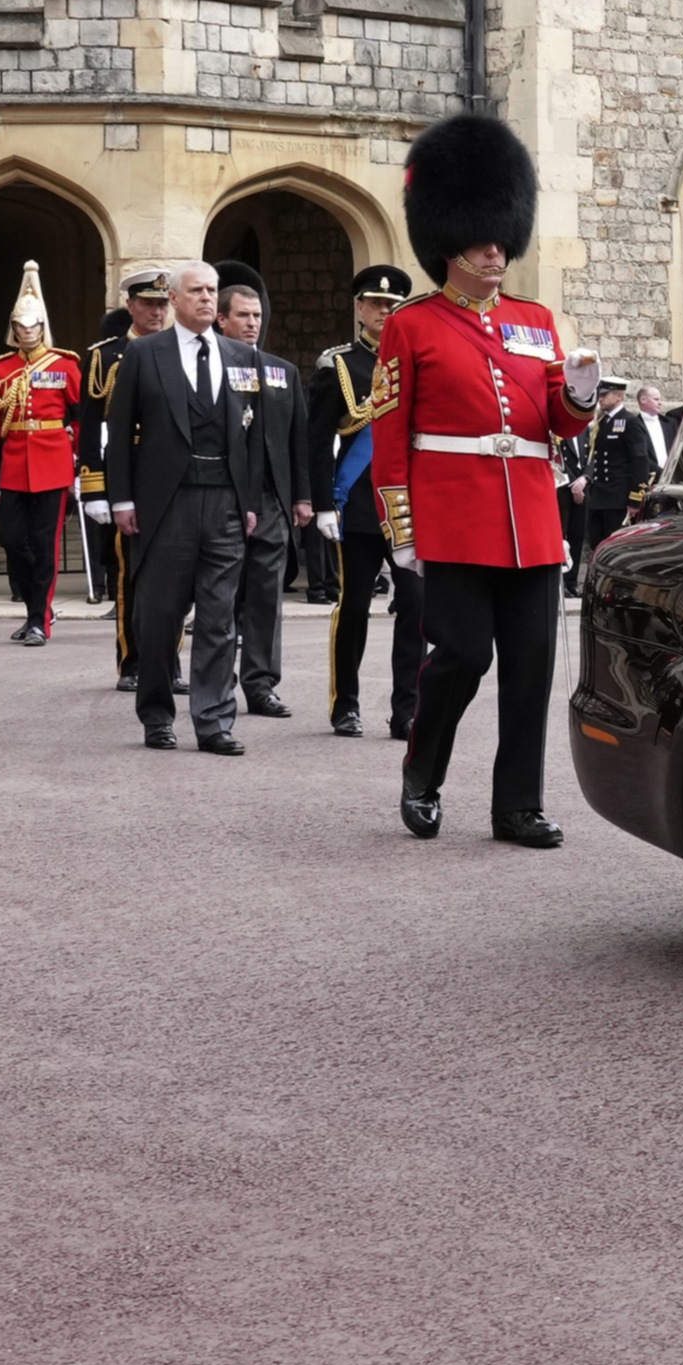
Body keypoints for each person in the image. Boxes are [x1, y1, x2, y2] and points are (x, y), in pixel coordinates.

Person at [359, 116, 597, 845]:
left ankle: (517, 805)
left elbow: (556, 421)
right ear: (449, 244)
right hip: (454, 518)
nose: (498, 250)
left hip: (529, 517)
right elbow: (390, 431)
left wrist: (580, 395)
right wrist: (402, 530)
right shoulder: (414, 325)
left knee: (531, 668)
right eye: (483, 239)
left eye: (502, 237)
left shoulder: (534, 320)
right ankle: (422, 771)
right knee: (461, 655)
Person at [102, 259, 262, 756]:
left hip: (226, 503)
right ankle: (156, 713)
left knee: (219, 618)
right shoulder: (145, 355)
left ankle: (213, 721)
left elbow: (254, 437)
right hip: (165, 503)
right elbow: (119, 436)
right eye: (196, 291)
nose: (207, 299)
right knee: (159, 615)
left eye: (212, 291)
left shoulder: (241, 356)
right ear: (174, 298)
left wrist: (251, 500)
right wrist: (122, 499)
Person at [309, 262, 423, 739]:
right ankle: (346, 705)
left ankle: (406, 711)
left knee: (416, 606)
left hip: (408, 506)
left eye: (393, 304)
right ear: (359, 307)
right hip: (354, 504)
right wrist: (321, 504)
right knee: (354, 606)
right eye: (376, 303)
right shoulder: (339, 364)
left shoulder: (418, 360)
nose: (384, 311)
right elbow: (316, 441)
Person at [216, 268, 310, 718]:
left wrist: (303, 498)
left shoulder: (282, 371)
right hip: (224, 500)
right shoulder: (210, 367)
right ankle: (217, 682)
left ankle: (261, 684)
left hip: (272, 501)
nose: (253, 323)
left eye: (257, 315)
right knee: (220, 596)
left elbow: (298, 442)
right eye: (243, 315)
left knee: (266, 598)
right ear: (221, 320)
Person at [0, 269, 83, 646]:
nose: (27, 331)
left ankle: (39, 619)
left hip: (53, 463)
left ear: (42, 326)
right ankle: (35, 610)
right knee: (11, 541)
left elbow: (78, 416)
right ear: (13, 327)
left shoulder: (64, 364)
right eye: (20, 326)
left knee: (45, 544)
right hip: (13, 468)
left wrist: (78, 463)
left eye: (33, 325)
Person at [85, 265, 176, 684]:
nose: (156, 312)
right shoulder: (106, 355)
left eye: (162, 303)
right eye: (147, 304)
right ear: (130, 306)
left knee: (175, 574)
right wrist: (96, 488)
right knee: (129, 574)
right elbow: (92, 428)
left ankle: (169, 662)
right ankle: (132, 661)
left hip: (170, 474)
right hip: (127, 472)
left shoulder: (182, 351)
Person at [568, 375, 664, 583]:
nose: (600, 399)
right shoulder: (603, 423)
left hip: (618, 497)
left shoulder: (630, 423)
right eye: (599, 395)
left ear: (619, 396)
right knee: (598, 544)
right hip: (600, 496)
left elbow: (640, 461)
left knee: (616, 548)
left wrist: (635, 498)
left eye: (604, 395)